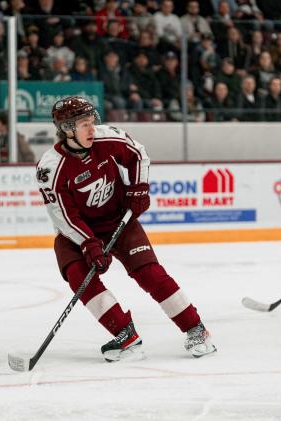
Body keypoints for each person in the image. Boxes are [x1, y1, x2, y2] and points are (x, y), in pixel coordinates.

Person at [35, 96, 216, 362]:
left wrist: (139, 187)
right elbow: (63, 216)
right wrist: (88, 243)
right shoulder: (50, 168)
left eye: (91, 122)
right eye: (84, 125)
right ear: (67, 129)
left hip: (119, 218)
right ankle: (125, 334)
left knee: (149, 272)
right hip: (77, 232)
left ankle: (195, 329)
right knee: (78, 276)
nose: (92, 130)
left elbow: (138, 154)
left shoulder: (107, 138)